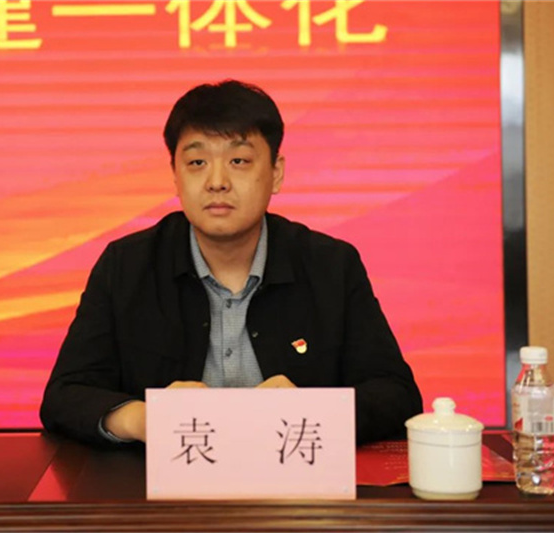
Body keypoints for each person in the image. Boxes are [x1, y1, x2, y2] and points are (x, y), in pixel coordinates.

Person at [40, 80, 422, 447]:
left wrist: (312, 411)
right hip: (161, 486)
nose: (217, 181)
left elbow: (396, 394)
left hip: (297, 480)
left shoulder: (331, 265)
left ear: (276, 173)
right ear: (175, 175)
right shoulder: (126, 266)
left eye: (238, 160)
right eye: (197, 162)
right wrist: (145, 419)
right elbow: (65, 395)